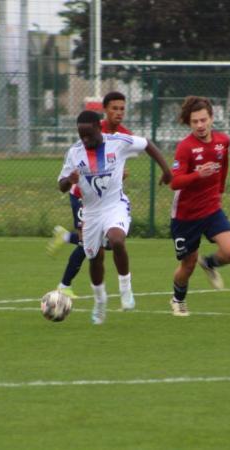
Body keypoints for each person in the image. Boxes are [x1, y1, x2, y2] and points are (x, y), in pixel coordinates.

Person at [57, 110, 172, 325]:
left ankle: (125, 288)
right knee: (94, 257)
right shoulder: (74, 153)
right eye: (81, 135)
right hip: (90, 212)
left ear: (99, 128)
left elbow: (147, 144)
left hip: (114, 205)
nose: (85, 139)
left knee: (117, 239)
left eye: (89, 134)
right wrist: (69, 180)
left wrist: (166, 170)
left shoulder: (117, 142)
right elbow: (61, 185)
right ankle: (100, 302)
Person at [47, 92, 132, 299]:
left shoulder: (124, 134)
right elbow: (78, 162)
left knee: (108, 244)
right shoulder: (93, 129)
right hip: (82, 196)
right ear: (105, 110)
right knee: (90, 246)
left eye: (122, 108)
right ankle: (64, 285)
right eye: (114, 108)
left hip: (106, 199)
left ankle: (66, 237)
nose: (118, 112)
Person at [168, 96, 230, 317]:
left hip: (211, 210)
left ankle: (209, 263)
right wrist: (197, 174)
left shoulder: (223, 141)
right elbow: (174, 182)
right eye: (195, 122)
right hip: (185, 216)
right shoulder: (185, 147)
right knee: (187, 265)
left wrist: (220, 191)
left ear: (211, 118)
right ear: (189, 124)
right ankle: (178, 299)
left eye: (203, 120)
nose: (200, 125)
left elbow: (224, 165)